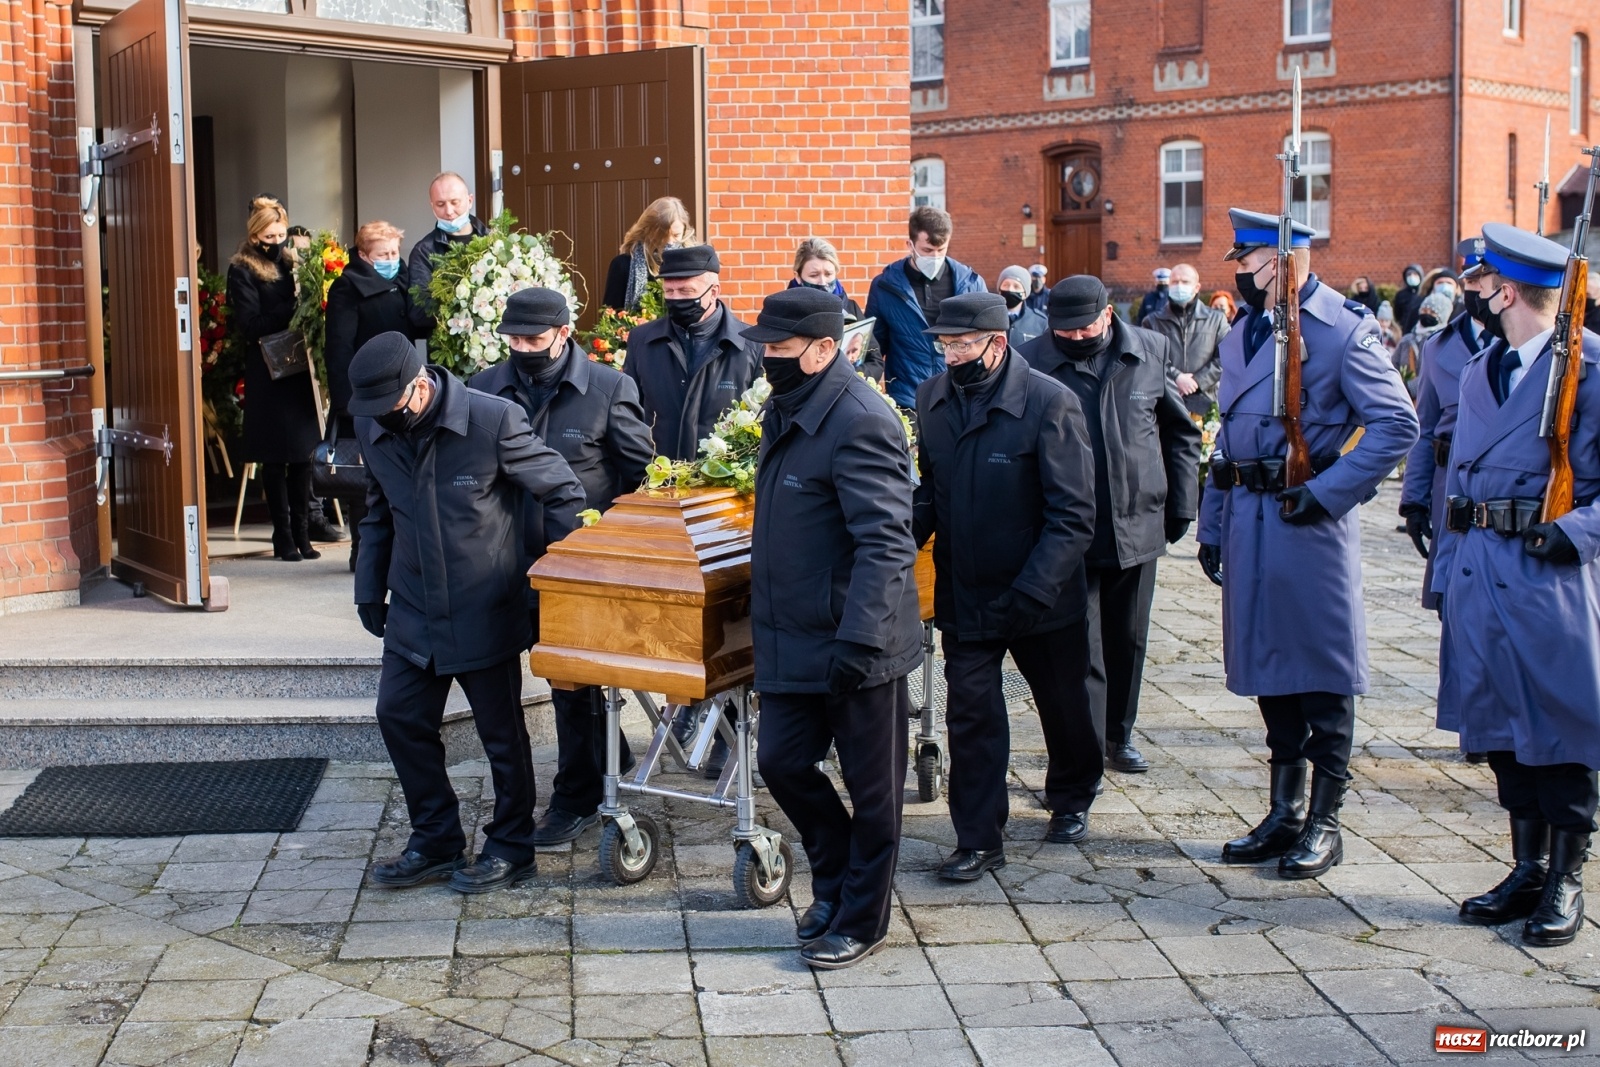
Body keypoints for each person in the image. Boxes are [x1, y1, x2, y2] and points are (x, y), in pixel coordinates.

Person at [1197, 208, 1418, 879]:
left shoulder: (1341, 332)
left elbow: (1395, 425)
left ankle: (1325, 820)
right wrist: (1211, 522)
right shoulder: (1244, 333)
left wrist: (1328, 491)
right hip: (1247, 517)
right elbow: (1224, 437)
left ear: (1283, 261)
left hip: (1305, 524)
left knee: (1321, 672)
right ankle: (1284, 811)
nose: (1242, 269)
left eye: (1253, 258)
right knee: (1269, 669)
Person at [352, 333, 585, 894]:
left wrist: (546, 581)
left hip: (485, 604)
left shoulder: (492, 422)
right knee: (399, 716)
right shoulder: (375, 425)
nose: (383, 418)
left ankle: (511, 846)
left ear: (420, 384)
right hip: (413, 606)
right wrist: (368, 588)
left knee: (501, 735)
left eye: (391, 405)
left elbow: (563, 491)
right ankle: (435, 839)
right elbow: (378, 512)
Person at [744, 287, 922, 970]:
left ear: (823, 350)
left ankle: (862, 917)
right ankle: (838, 872)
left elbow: (885, 540)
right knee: (782, 761)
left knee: (874, 791)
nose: (768, 358)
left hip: (857, 639)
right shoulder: (785, 407)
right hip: (794, 634)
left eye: (780, 349)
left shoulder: (860, 419)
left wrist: (860, 637)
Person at [1436, 223, 1600, 946]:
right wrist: (1444, 574)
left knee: (1560, 732)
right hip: (1479, 568)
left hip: (1548, 575)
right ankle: (1527, 867)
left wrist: (1576, 533)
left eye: (1476, 283)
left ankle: (1567, 875)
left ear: (1506, 290)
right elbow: (1457, 479)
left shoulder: (1589, 369)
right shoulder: (1482, 366)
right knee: (1501, 730)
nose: (1468, 292)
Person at [913, 293, 1100, 874]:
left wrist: (1034, 591)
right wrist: (892, 543)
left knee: (1065, 707)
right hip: (968, 593)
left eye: (962, 345)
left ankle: (1071, 795)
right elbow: (931, 492)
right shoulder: (932, 399)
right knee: (970, 717)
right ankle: (978, 838)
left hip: (1040, 595)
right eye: (943, 345)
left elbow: (1073, 515)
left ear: (997, 344)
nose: (951, 356)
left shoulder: (1050, 403)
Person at [468, 288, 655, 846]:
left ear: (562, 333)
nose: (522, 348)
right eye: (514, 339)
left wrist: (618, 552)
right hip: (501, 561)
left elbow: (643, 477)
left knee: (571, 685)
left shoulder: (607, 388)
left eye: (533, 339)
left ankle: (575, 796)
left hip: (576, 566)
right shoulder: (485, 387)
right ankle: (601, 754)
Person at [1024, 277, 1202, 774]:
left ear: (1107, 315)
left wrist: (1181, 504)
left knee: (1128, 638)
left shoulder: (1149, 349)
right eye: (1065, 330)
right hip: (1066, 529)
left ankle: (1118, 736)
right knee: (1080, 648)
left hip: (1137, 521)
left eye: (1085, 328)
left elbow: (1181, 431)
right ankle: (1084, 754)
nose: (1076, 337)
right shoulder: (1032, 359)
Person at [324, 220, 425, 571]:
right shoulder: (346, 288)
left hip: (403, 390)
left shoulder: (401, 280)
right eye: (383, 254)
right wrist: (346, 403)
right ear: (364, 255)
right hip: (365, 395)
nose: (392, 259)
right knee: (364, 477)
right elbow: (337, 350)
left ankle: (397, 549)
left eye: (396, 253)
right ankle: (362, 552)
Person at [228, 195, 321, 562]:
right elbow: (251, 326)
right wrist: (294, 306)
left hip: (299, 370)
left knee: (302, 455)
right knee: (274, 457)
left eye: (281, 234)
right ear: (255, 237)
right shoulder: (242, 270)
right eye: (270, 236)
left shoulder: (292, 261)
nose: (277, 242)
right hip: (267, 371)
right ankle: (282, 535)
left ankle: (303, 533)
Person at [1399, 239, 1487, 614]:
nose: (1477, 289)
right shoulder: (1440, 345)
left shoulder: (1522, 345)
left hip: (1497, 490)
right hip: (1446, 483)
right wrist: (1414, 501)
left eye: (1484, 279)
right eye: (1471, 280)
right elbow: (1425, 427)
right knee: (1449, 598)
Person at [622, 244, 761, 463]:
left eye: (686, 291)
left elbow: (759, 423)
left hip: (721, 484)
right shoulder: (642, 341)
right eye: (669, 292)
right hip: (655, 481)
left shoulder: (750, 345)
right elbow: (627, 416)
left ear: (713, 291)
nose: (676, 299)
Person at [864, 206, 987, 408]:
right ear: (910, 245)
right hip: (908, 397)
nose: (935, 257)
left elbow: (984, 342)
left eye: (942, 250)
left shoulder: (971, 283)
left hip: (962, 395)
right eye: (927, 251)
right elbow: (875, 348)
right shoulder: (885, 286)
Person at [1141, 262, 1230, 418]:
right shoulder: (1152, 322)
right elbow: (1149, 359)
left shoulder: (1216, 320)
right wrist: (1176, 377)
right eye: (1175, 282)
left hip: (1206, 403)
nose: (1179, 286)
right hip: (1166, 403)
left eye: (1185, 282)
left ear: (1197, 287)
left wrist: (1196, 381)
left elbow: (1225, 357)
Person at [789, 236, 884, 381]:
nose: (823, 282)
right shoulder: (786, 312)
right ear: (798, 277)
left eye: (828, 274)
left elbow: (875, 361)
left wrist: (850, 377)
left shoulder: (850, 308)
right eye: (814, 275)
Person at [406, 172, 488, 334]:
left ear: (469, 200)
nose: (449, 211)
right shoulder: (424, 252)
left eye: (454, 202)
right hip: (448, 348)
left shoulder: (493, 241)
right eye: (440, 204)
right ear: (432, 206)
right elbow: (419, 312)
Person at [602, 196, 694, 313]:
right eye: (662, 236)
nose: (670, 242)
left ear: (685, 231)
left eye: (676, 235)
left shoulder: (692, 264)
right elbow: (609, 315)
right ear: (647, 231)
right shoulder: (622, 265)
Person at [1391, 292, 1454, 400]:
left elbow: (1437, 375)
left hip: (1430, 400)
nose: (1427, 314)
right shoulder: (1407, 340)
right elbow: (1393, 366)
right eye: (1424, 310)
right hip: (1402, 398)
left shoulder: (1444, 342)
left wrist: (1410, 387)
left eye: (1432, 312)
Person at [997, 265, 1048, 349]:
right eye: (1006, 285)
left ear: (1025, 293)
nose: (1010, 290)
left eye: (1016, 286)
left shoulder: (1040, 323)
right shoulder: (988, 319)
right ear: (999, 289)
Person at [1393, 263, 1425, 333]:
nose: (1412, 277)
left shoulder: (1424, 293)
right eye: (1409, 275)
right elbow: (1397, 314)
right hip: (1405, 329)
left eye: (1415, 274)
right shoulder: (1401, 295)